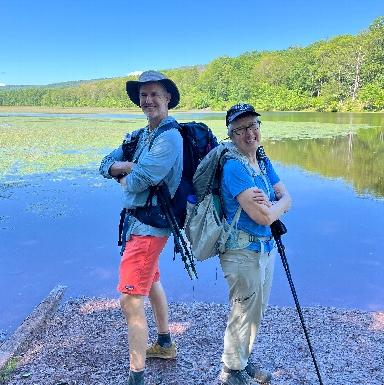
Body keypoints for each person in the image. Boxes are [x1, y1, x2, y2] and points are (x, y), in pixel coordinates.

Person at [99, 70, 182, 385]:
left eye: (154, 94)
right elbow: (104, 163)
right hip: (139, 223)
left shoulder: (169, 137)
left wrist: (126, 173)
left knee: (130, 299)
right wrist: (124, 166)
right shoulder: (140, 135)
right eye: (143, 95)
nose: (148, 100)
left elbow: (137, 182)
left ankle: (137, 377)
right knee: (152, 280)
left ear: (168, 98)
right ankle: (164, 343)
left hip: (150, 226)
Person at [218, 103, 292, 385]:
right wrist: (275, 205)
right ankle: (231, 370)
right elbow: (262, 216)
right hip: (241, 251)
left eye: (253, 126)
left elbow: (287, 197)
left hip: (265, 249)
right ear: (231, 136)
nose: (249, 134)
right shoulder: (234, 168)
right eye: (240, 130)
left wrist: (276, 204)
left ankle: (243, 360)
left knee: (256, 309)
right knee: (242, 310)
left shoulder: (261, 159)